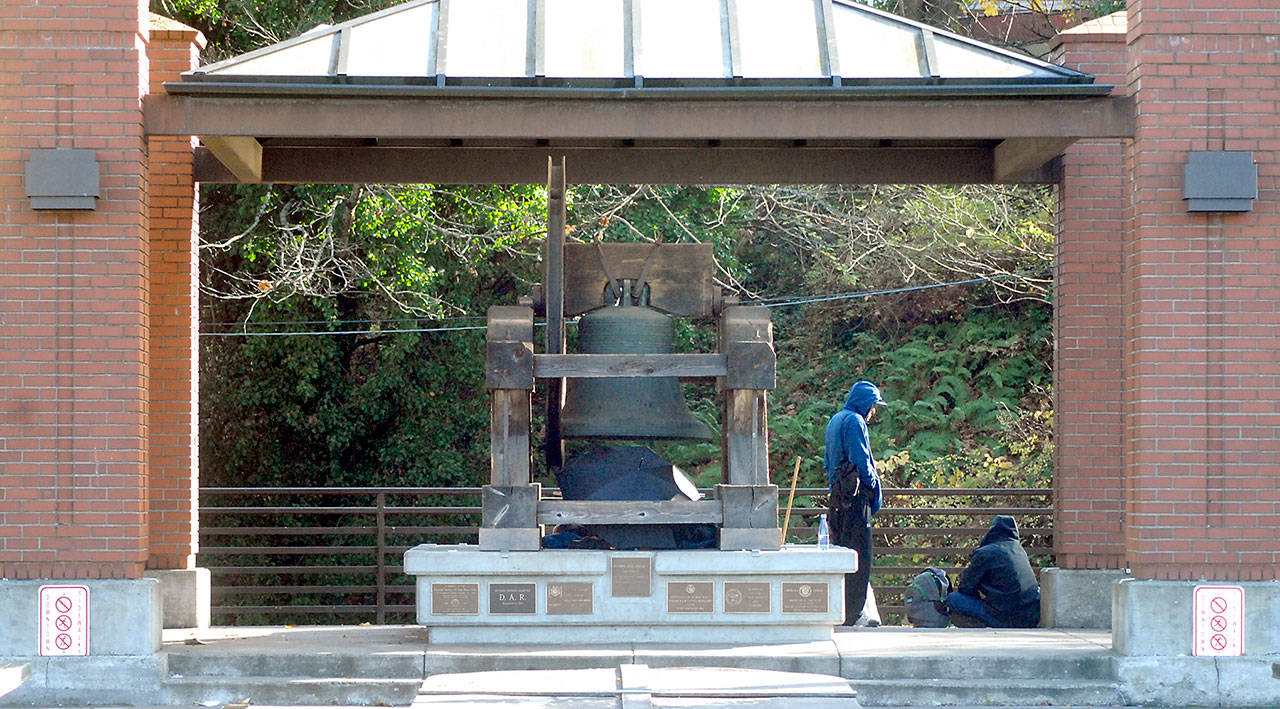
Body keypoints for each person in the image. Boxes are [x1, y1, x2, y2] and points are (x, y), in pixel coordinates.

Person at [823, 380, 885, 626]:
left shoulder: (835, 420)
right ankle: (854, 614)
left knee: (842, 554)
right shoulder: (855, 421)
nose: (874, 411)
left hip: (837, 498)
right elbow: (862, 460)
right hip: (856, 498)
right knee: (861, 557)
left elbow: (829, 461)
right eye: (874, 405)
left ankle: (841, 610)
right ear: (866, 403)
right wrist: (873, 487)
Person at [945, 515, 1041, 628]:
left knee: (953, 598)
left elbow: (966, 587)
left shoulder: (985, 553)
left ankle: (980, 629)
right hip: (1031, 617)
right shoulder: (1019, 550)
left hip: (1005, 618)